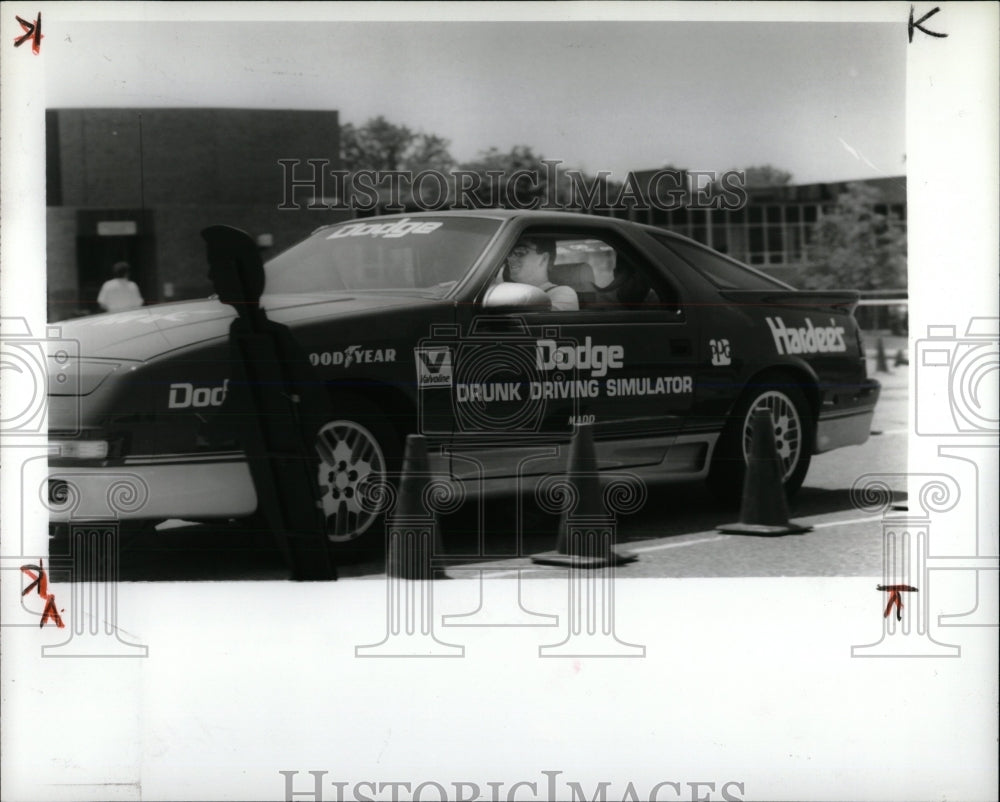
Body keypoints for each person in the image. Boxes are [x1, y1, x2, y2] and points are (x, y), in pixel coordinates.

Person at [503, 236, 579, 311]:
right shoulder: (508, 291)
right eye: (509, 253)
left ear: (544, 258)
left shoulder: (564, 293)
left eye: (520, 252)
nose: (509, 258)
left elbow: (546, 318)